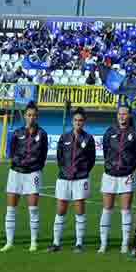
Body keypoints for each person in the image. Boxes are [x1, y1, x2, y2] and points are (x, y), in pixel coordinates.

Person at [2, 101, 47, 252]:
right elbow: (11, 153)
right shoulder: (16, 133)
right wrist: (18, 164)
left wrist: (33, 166)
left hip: (33, 173)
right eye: (29, 115)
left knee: (33, 209)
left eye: (34, 115)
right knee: (11, 209)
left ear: (37, 116)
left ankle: (33, 242)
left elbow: (43, 156)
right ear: (24, 116)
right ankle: (9, 242)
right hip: (15, 173)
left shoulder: (42, 134)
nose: (31, 117)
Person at [49, 107, 96, 252]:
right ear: (72, 121)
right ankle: (56, 243)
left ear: (84, 122)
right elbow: (59, 157)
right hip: (63, 178)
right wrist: (65, 170)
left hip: (80, 178)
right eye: (75, 120)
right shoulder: (64, 137)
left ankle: (79, 243)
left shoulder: (88, 139)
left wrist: (82, 171)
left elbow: (91, 160)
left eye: (80, 120)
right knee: (60, 210)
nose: (78, 123)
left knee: (79, 210)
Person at [100, 104, 136, 254]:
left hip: (126, 175)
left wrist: (129, 168)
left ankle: (125, 243)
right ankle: (103, 243)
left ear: (129, 115)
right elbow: (106, 151)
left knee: (125, 210)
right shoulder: (109, 132)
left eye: (125, 114)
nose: (122, 116)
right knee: (107, 209)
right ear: (117, 115)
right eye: (120, 114)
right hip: (109, 175)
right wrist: (111, 166)